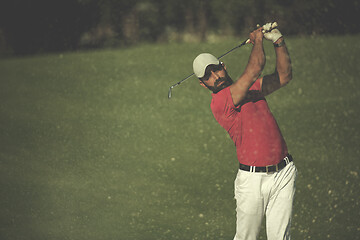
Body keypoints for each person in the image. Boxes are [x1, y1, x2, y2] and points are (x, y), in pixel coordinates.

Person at [192, 23, 297, 240]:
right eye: (208, 76)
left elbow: (284, 76)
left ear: (224, 65)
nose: (215, 76)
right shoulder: (220, 102)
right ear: (203, 85)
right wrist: (258, 39)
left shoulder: (251, 88)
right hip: (252, 182)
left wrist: (278, 41)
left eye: (216, 69)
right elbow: (256, 67)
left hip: (284, 172)